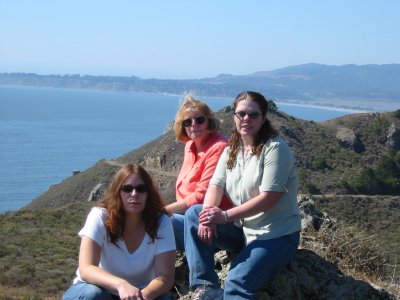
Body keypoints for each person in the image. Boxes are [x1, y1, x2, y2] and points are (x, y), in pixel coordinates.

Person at [184, 91, 301, 300]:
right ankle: (206, 288)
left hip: (275, 235)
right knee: (195, 214)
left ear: (263, 118)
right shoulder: (232, 150)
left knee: (236, 281)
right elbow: (215, 186)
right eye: (241, 114)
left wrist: (225, 216)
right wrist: (208, 216)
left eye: (253, 114)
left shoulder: (274, 148)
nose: (246, 119)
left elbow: (270, 197)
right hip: (243, 231)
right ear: (234, 117)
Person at [62, 163, 176, 300]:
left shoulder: (161, 222)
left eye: (141, 189)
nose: (134, 194)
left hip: (139, 294)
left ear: (148, 193)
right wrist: (120, 285)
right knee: (94, 295)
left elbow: (165, 277)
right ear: (118, 192)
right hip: (99, 290)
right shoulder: (100, 216)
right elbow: (86, 268)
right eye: (127, 189)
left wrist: (143, 296)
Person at [164, 94, 232, 251]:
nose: (194, 124)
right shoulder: (190, 146)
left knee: (159, 223)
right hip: (186, 215)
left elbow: (201, 196)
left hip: (212, 222)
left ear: (209, 121)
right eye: (188, 122)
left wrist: (163, 210)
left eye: (199, 120)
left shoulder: (219, 147)